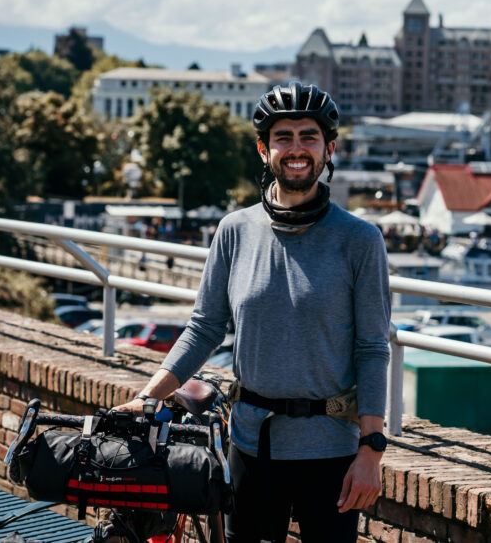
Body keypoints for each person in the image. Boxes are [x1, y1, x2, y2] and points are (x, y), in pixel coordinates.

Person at [115, 83, 391, 543]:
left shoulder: (360, 241)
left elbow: (371, 349)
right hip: (251, 446)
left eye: (309, 136)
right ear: (265, 150)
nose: (296, 149)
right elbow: (204, 328)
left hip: (332, 453)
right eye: (284, 137)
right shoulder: (234, 231)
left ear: (329, 149)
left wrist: (372, 451)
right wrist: (149, 398)